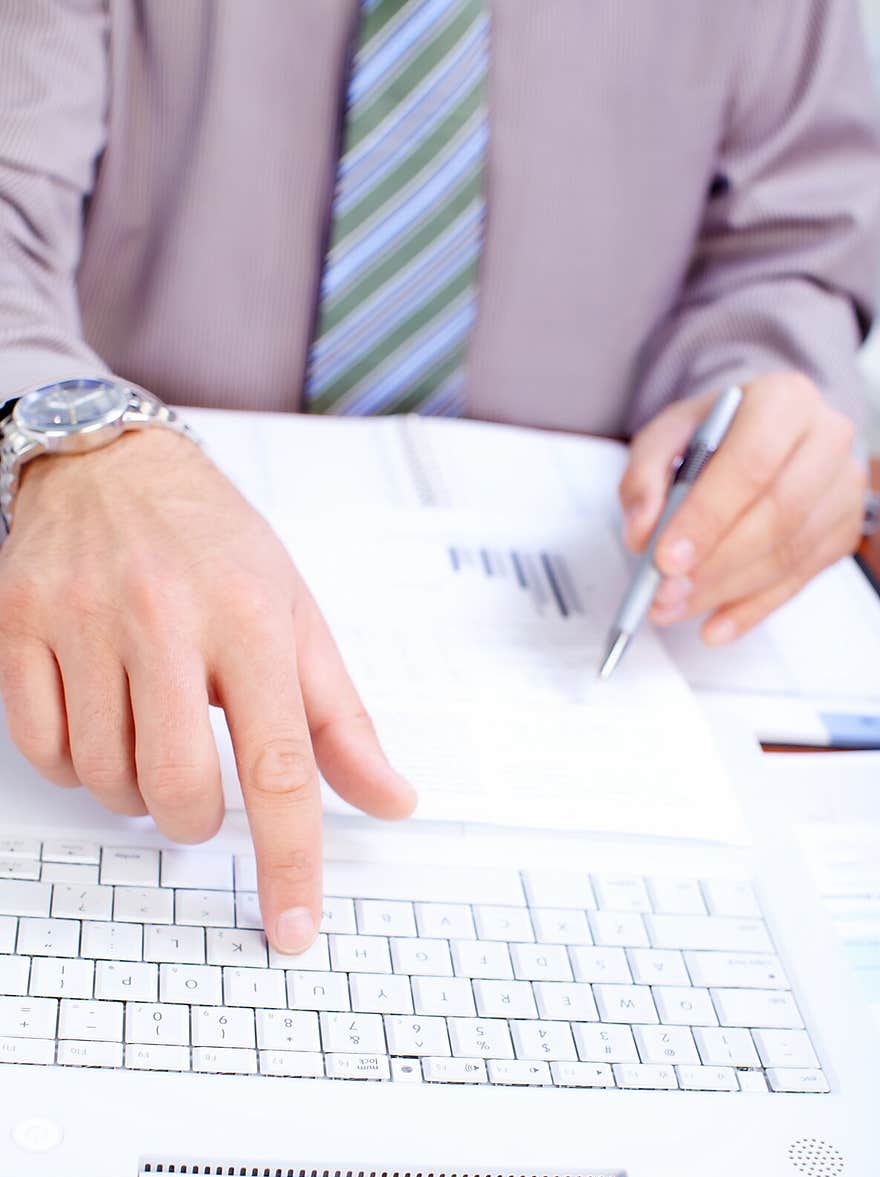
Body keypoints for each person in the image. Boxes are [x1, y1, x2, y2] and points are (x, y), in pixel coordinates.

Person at [0, 0, 878, 955]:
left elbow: (794, 247)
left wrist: (767, 391)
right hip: (111, 550)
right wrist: (72, 433)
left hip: (595, 587)